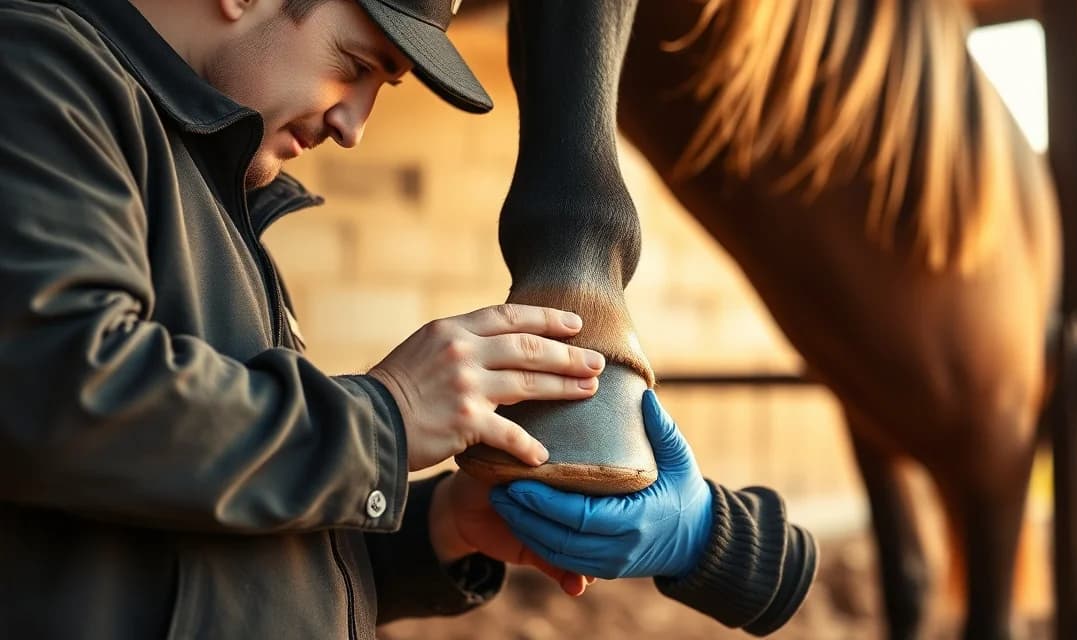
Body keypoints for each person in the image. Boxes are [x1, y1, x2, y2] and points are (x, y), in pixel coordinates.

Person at [0, 0, 816, 637]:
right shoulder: (37, 73)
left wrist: (439, 528)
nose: (354, 126)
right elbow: (59, 390)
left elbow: (196, 559)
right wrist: (385, 420)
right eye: (355, 64)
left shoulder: (206, 181)